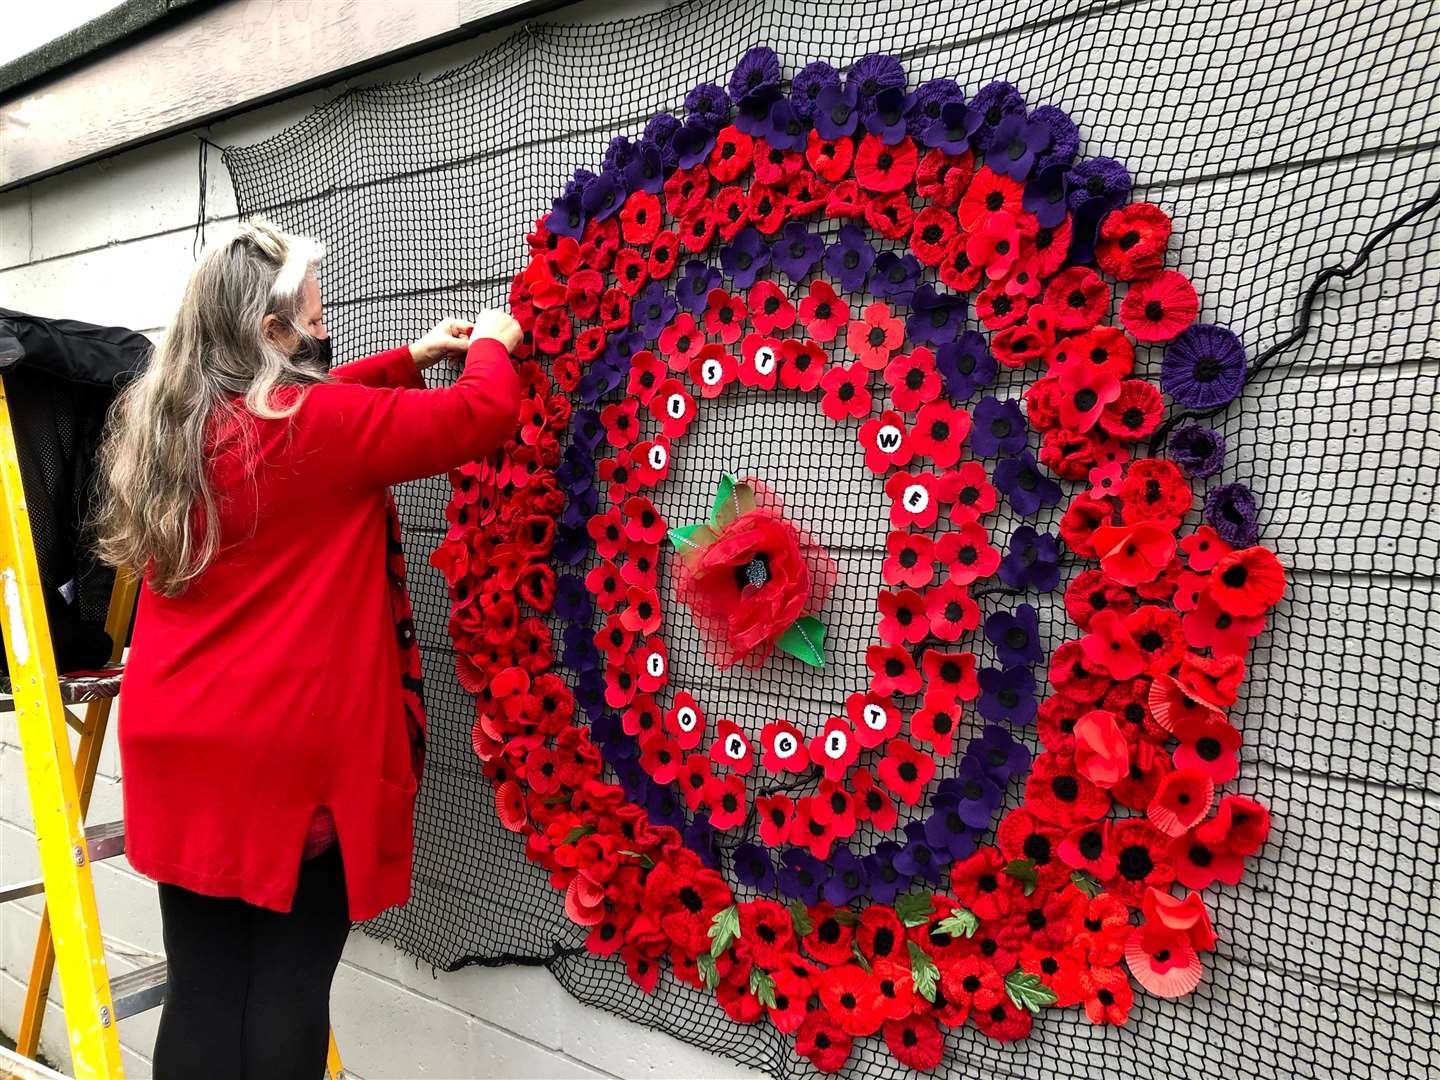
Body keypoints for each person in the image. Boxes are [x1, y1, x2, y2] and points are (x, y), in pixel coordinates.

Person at [96, 217, 522, 1079]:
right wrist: (494, 345)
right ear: (269, 332)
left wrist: (408, 357)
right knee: (289, 990)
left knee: (207, 988)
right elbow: (481, 416)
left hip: (178, 749)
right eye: (314, 315)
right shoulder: (315, 428)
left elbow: (306, 420)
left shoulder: (168, 425)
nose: (326, 331)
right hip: (284, 767)